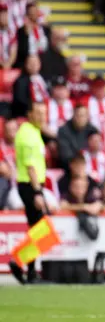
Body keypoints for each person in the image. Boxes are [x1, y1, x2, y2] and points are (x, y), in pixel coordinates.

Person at [8, 101, 50, 284]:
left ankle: (30, 270)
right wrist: (38, 192)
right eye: (39, 113)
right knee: (39, 230)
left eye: (44, 113)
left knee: (37, 230)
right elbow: (31, 167)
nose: (43, 117)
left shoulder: (31, 132)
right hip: (30, 185)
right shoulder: (27, 136)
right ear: (30, 113)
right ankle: (20, 263)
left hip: (31, 185)